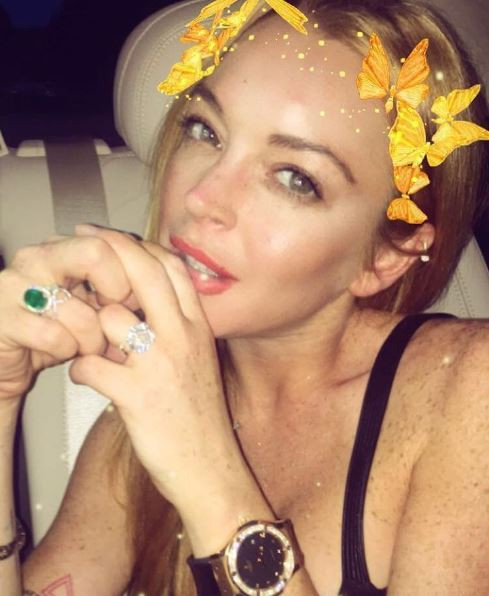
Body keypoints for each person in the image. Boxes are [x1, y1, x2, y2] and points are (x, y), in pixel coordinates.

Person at [1, 0, 489, 594]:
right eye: (205, 131)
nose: (202, 197)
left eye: (295, 179)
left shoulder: (470, 390)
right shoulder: (132, 427)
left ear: (384, 258)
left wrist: (205, 466)